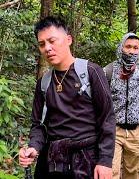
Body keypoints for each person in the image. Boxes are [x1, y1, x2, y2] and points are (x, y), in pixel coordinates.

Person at [18, 16, 115, 179]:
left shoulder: (91, 72)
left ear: (68, 39)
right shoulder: (44, 83)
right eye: (42, 44)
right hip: (53, 160)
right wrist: (34, 147)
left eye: (52, 41)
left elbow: (107, 118)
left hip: (87, 159)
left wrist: (105, 161)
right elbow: (38, 124)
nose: (47, 48)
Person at [104, 33, 139, 179]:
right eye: (128, 46)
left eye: (136, 48)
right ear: (121, 47)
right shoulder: (109, 70)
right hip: (113, 130)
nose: (132, 51)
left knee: (133, 172)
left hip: (136, 131)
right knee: (111, 172)